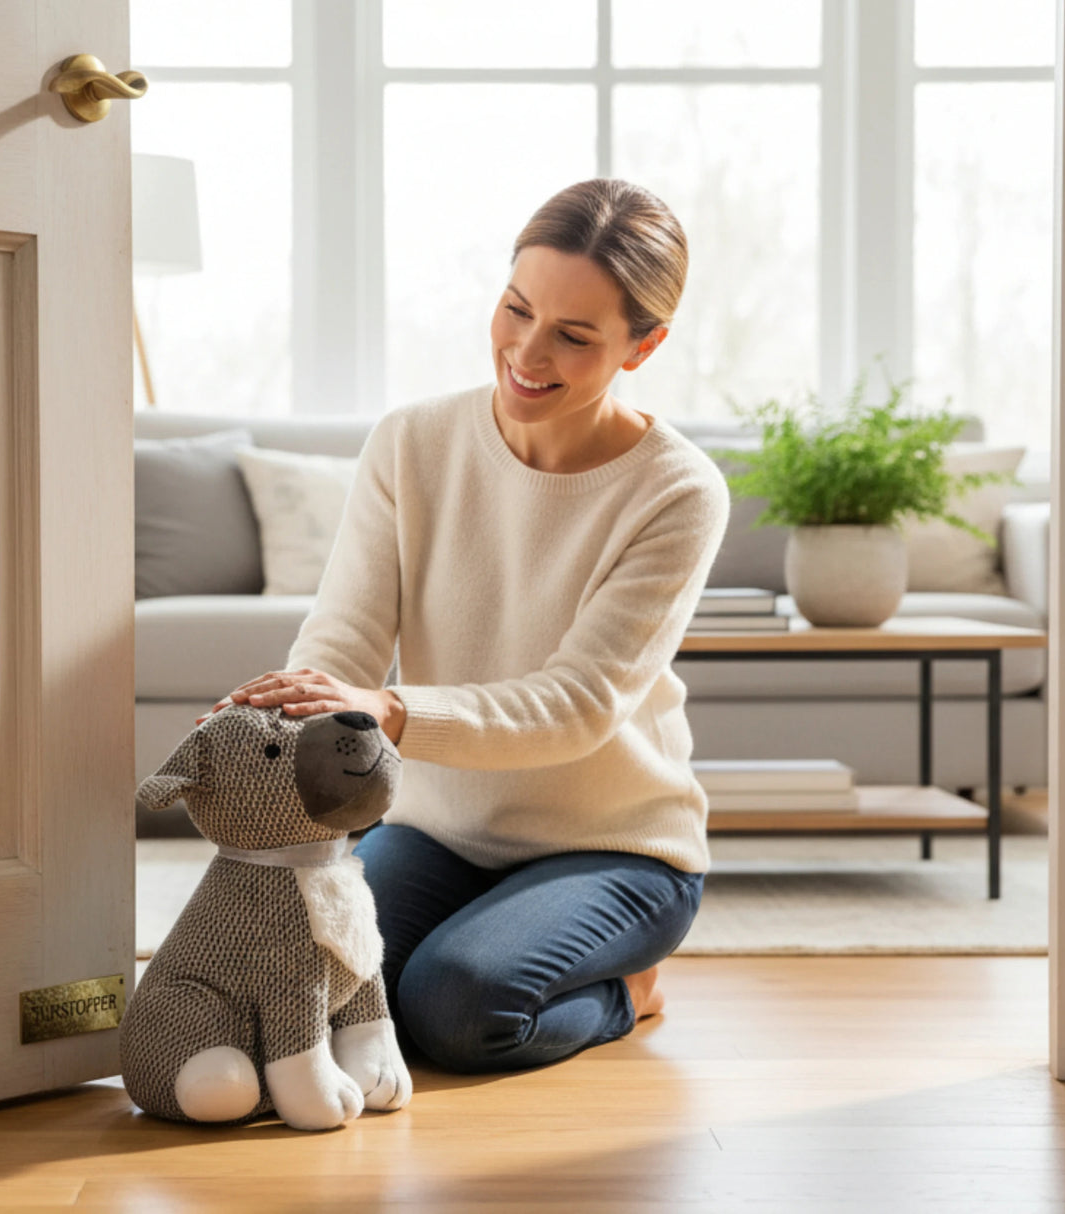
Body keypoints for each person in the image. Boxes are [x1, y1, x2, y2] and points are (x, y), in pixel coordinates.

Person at [198, 178, 731, 1074]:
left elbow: (580, 704)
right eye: (517, 309)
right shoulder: (411, 442)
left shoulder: (676, 490)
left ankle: (628, 990)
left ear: (644, 345)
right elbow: (342, 640)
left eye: (573, 334)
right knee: (332, 1004)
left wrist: (393, 712)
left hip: (616, 846)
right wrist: (284, 718)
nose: (526, 351)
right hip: (437, 830)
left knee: (454, 1008)